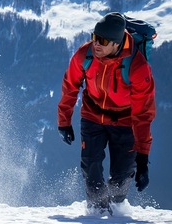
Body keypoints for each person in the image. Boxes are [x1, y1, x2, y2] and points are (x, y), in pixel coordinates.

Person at [57, 13, 156, 213]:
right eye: (94, 37)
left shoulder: (137, 66)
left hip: (125, 122)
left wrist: (143, 160)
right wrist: (64, 122)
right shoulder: (85, 54)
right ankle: (96, 212)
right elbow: (70, 86)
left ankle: (117, 211)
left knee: (121, 177)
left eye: (102, 41)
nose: (96, 44)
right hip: (92, 116)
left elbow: (143, 114)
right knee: (91, 168)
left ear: (116, 44)